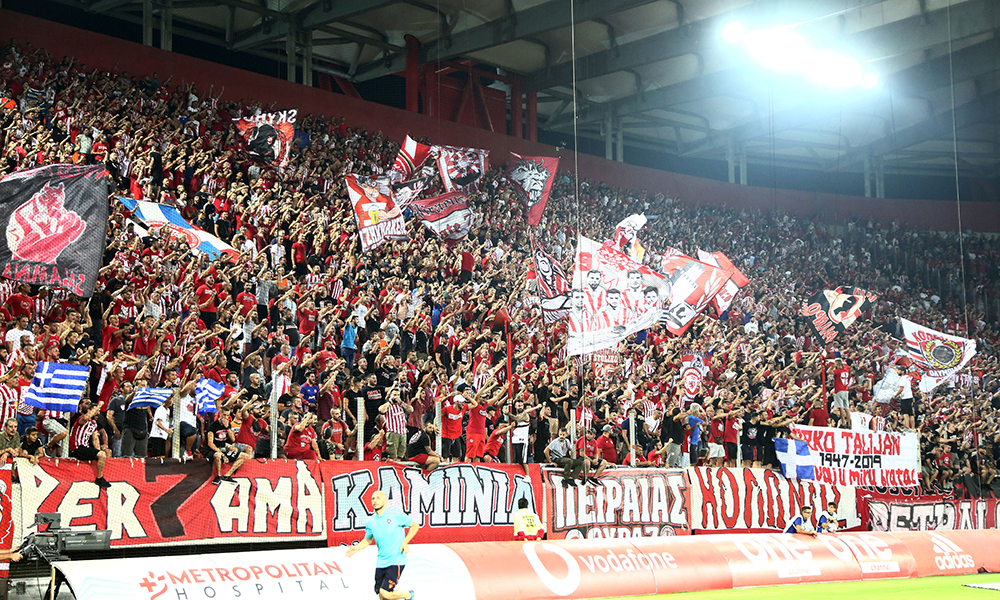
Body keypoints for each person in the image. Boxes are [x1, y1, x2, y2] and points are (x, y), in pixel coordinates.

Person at [345, 490, 420, 600]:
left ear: (385, 501)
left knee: (385, 592)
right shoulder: (371, 522)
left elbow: (415, 526)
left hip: (396, 560)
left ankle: (408, 595)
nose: (375, 501)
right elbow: (368, 540)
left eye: (378, 498)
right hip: (381, 562)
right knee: (381, 595)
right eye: (373, 498)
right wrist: (356, 548)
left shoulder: (396, 515)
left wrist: (405, 542)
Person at [69, 403, 111, 489]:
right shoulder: (81, 419)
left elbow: (95, 439)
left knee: (103, 454)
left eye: (99, 411)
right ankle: (99, 478)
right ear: (89, 411)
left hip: (85, 448)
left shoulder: (94, 424)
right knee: (101, 455)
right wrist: (99, 405)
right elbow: (86, 418)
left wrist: (98, 451)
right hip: (76, 448)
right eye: (96, 411)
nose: (98, 413)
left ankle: (102, 474)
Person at [208, 407, 251, 484]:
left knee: (244, 455)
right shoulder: (213, 426)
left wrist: (227, 427)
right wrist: (222, 454)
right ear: (220, 414)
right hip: (214, 449)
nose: (226, 417)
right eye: (224, 415)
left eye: (227, 415)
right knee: (218, 455)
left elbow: (233, 439)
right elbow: (210, 443)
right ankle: (218, 476)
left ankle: (227, 475)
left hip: (224, 446)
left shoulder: (228, 424)